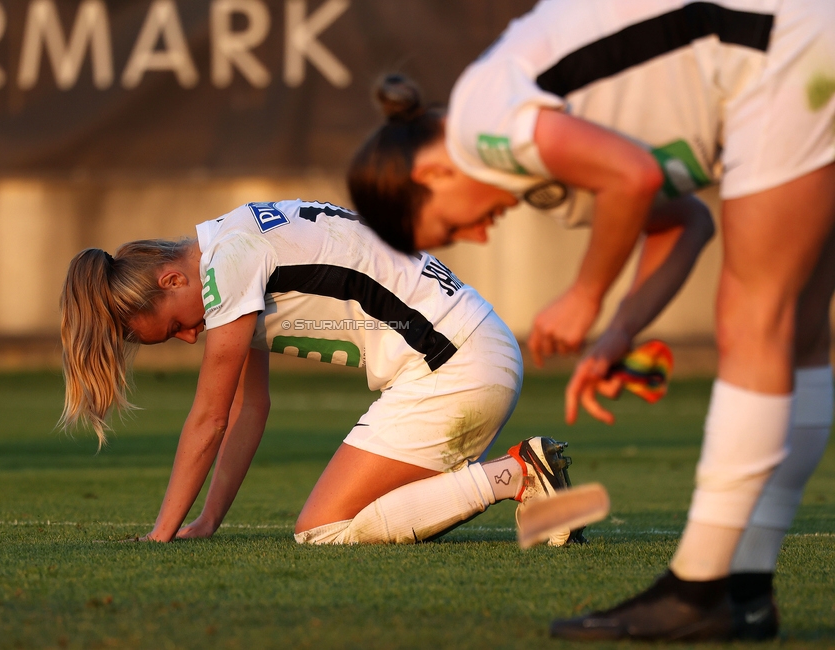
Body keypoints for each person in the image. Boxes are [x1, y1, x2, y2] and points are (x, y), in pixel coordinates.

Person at [347, 0, 835, 640]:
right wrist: (617, 334)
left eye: (452, 225)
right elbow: (685, 221)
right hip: (797, 45)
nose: (479, 235)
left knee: (754, 321)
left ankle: (700, 590)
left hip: (779, 44)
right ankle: (744, 591)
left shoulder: (477, 120)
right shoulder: (544, 169)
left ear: (431, 173)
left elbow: (632, 178)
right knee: (799, 334)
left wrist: (585, 295)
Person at [58, 198, 584, 548]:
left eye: (175, 326)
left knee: (322, 529)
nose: (192, 337)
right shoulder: (230, 245)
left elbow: (208, 418)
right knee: (340, 516)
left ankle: (516, 474)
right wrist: (206, 522)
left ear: (171, 278)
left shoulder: (229, 263)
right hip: (473, 349)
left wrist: (160, 535)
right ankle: (529, 483)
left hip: (454, 366)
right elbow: (248, 408)